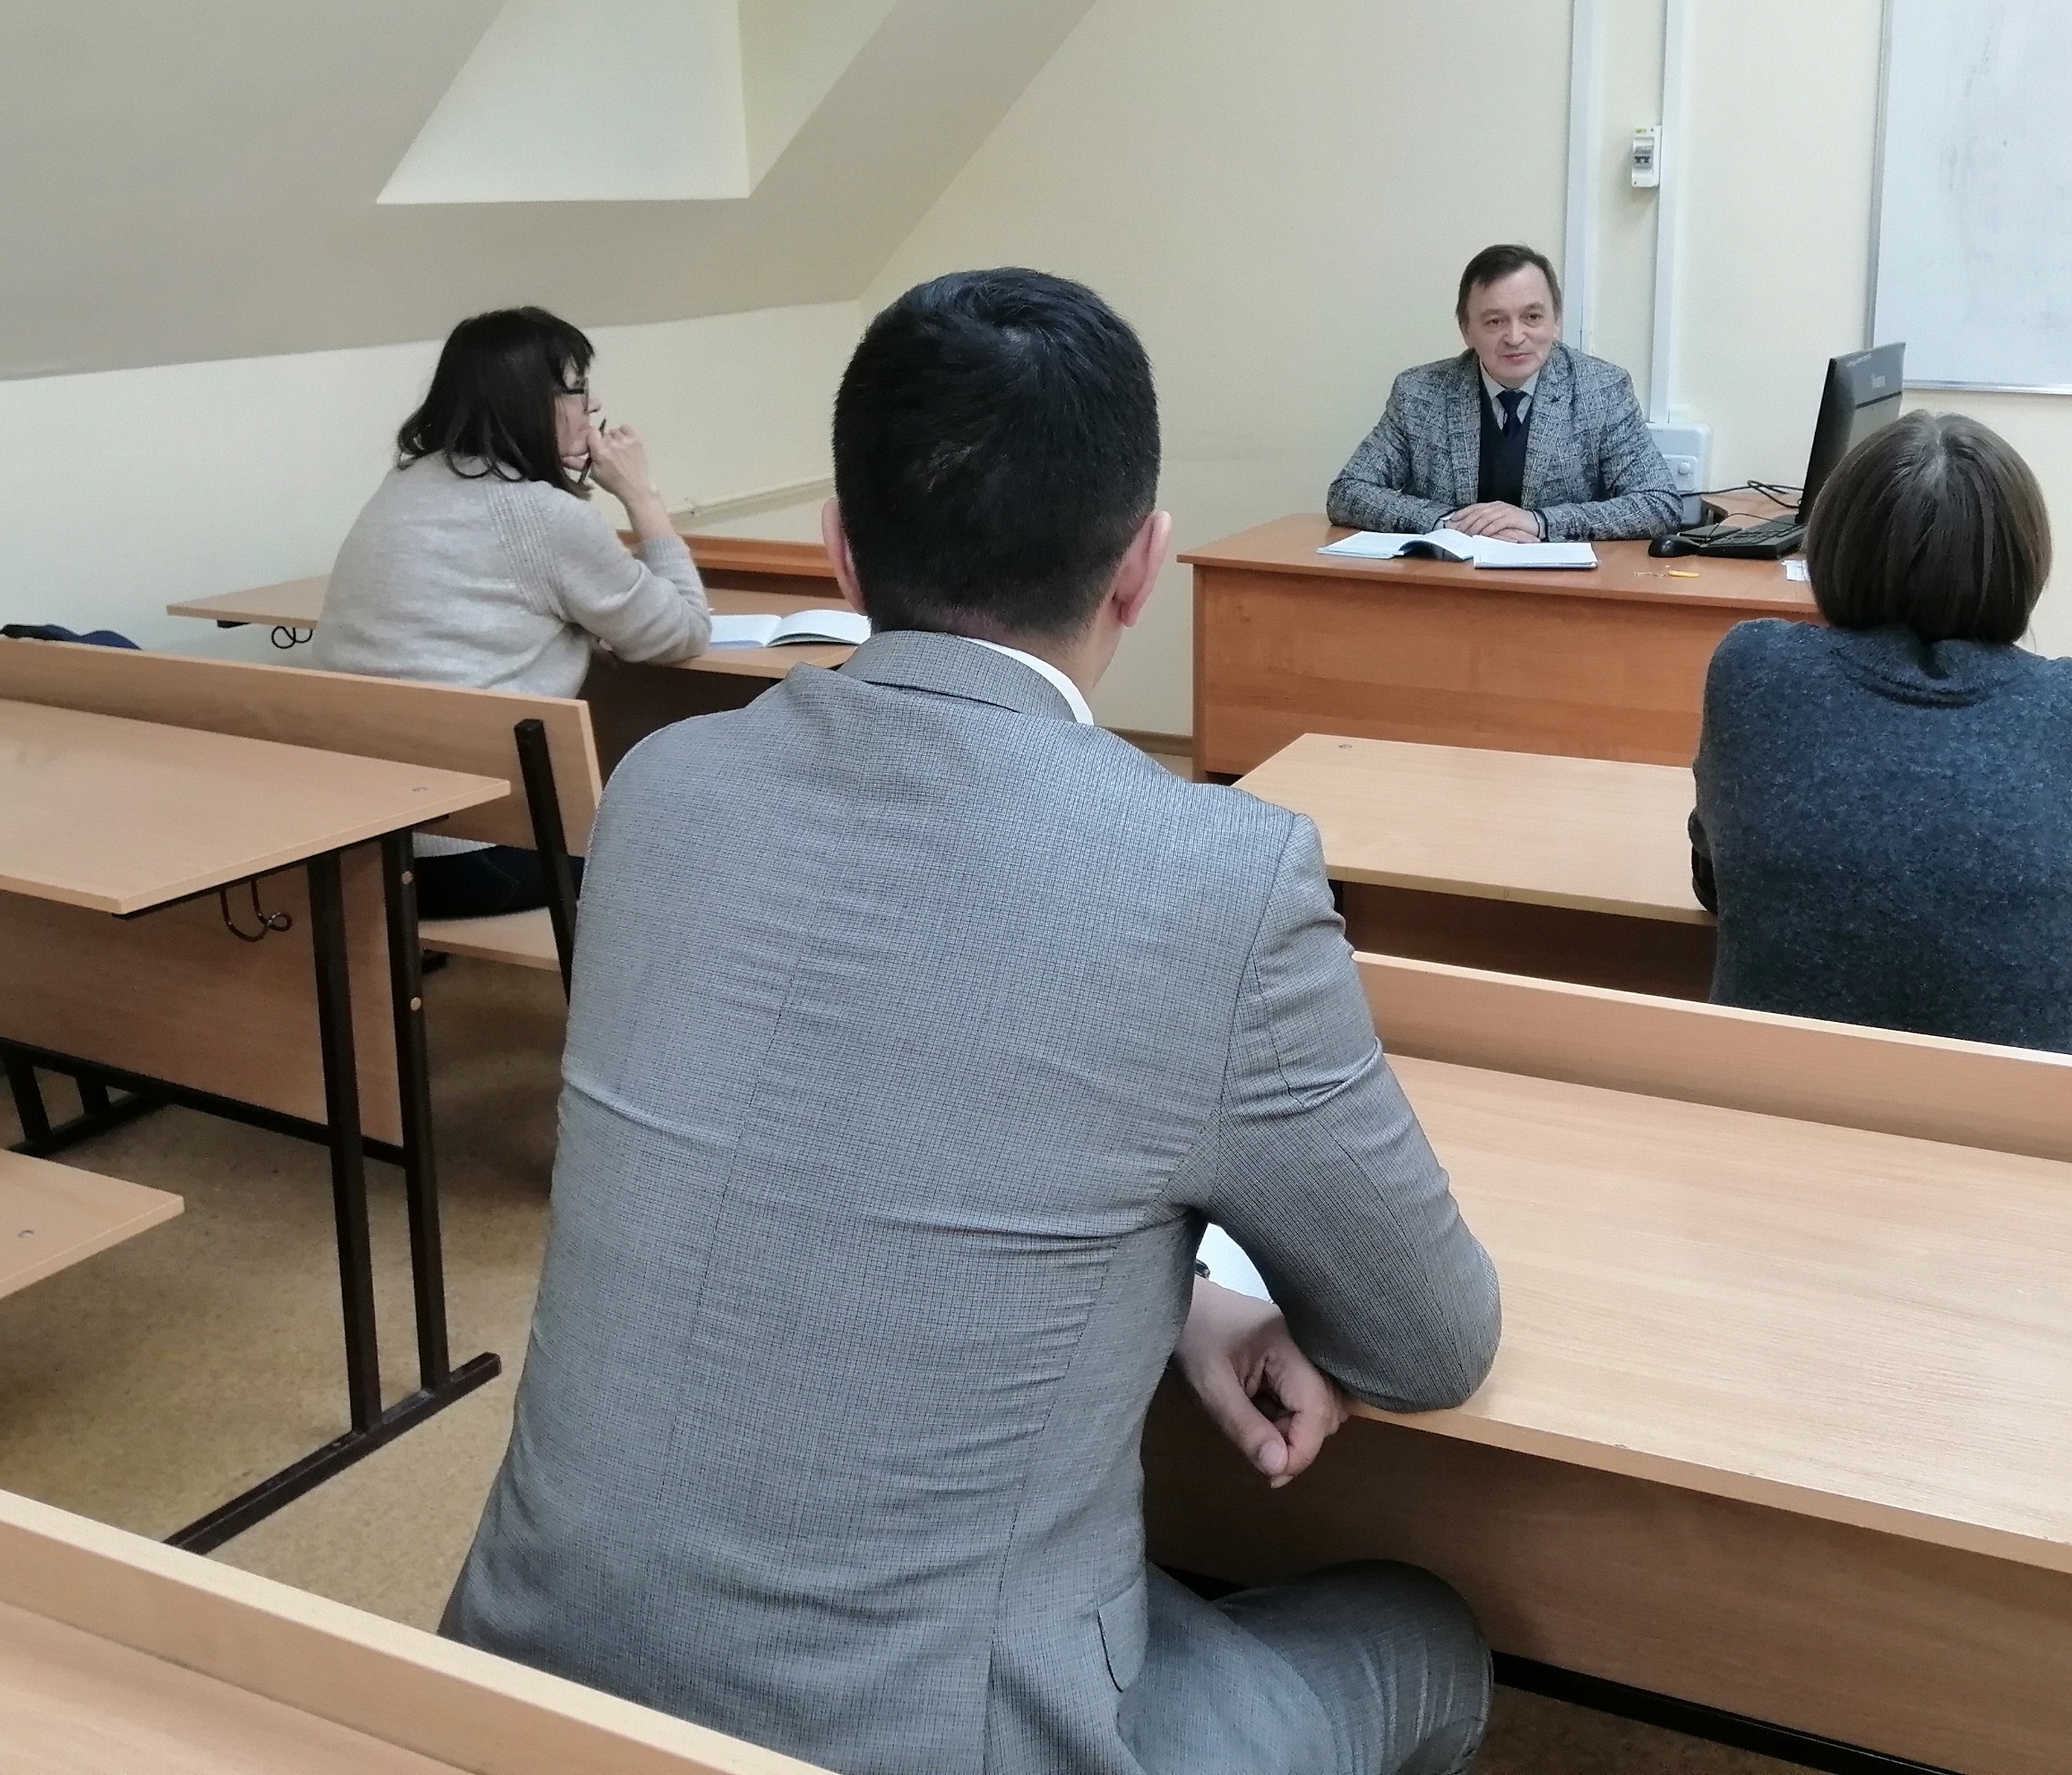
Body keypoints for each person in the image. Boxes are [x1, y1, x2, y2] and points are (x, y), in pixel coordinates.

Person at [443, 269, 1503, 1775]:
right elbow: (1430, 1340)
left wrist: (1165, 1300)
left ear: (838, 543)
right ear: (1141, 567)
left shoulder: (662, 793)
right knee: (1425, 1627)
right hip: (941, 1738)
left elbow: (830, 1128)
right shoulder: (1212, 873)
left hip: (521, 1685)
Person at [1689, 412, 2072, 1057]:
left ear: (1833, 548)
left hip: (1774, 1096)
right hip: (2039, 1112)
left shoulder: (1753, 668)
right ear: (2026, 559)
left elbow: (1715, 882)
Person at [314, 306, 710, 918]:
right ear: (532, 402)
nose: (594, 404)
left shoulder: (405, 484)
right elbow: (683, 632)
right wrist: (642, 496)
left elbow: (484, 609)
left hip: (362, 847)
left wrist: (572, 629)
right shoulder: (544, 517)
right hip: (474, 857)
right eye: (577, 388)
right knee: (693, 836)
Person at [1327, 243, 1692, 544]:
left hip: (1561, 592)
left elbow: (1659, 503)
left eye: (1532, 317)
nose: (1515, 337)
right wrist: (1450, 523)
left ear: (1556, 320)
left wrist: (1541, 523)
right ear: (1466, 330)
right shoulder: (1420, 394)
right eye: (1495, 321)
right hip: (1446, 588)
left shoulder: (1602, 389)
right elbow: (1348, 492)